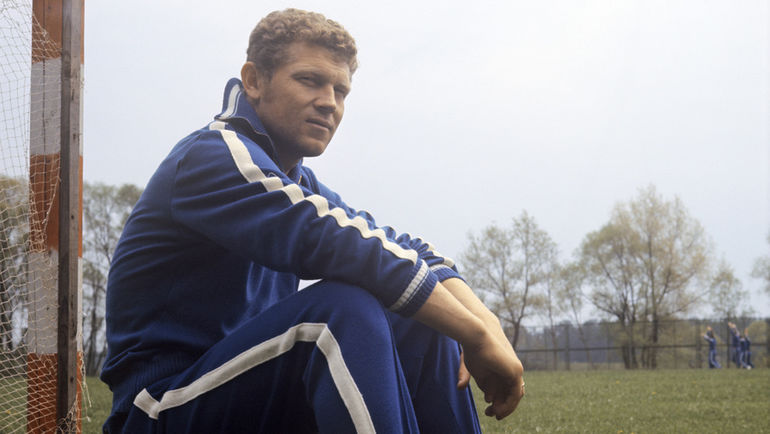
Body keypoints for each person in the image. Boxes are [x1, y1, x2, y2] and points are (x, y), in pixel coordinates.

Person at [100, 8, 524, 433]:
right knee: (340, 312)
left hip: (248, 391)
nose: (329, 102)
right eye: (309, 80)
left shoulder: (297, 184)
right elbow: (340, 243)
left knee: (426, 321)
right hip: (160, 409)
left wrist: (487, 328)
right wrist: (476, 336)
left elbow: (403, 248)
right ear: (254, 81)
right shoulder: (209, 158)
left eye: (341, 90)